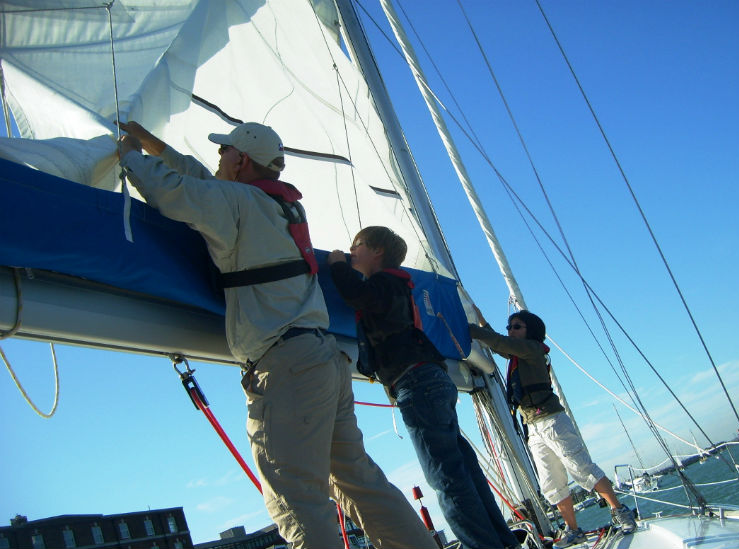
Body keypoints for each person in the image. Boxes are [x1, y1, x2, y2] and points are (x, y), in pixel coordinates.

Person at [116, 122, 437, 549]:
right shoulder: (279, 207)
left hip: (287, 367)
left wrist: (130, 154)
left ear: (241, 159)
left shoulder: (238, 203)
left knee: (297, 499)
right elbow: (199, 177)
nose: (218, 160)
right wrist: (153, 143)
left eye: (224, 153)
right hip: (323, 358)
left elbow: (170, 190)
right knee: (360, 481)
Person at [327, 226, 521, 549]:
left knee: (447, 479)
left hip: (416, 384)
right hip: (430, 381)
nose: (350, 250)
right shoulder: (398, 285)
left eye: (356, 245)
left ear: (377, 252)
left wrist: (335, 265)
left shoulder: (384, 283)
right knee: (463, 470)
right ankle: (503, 543)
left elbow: (358, 295)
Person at [469, 308, 637, 548]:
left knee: (581, 468)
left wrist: (470, 329)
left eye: (516, 326)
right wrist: (483, 322)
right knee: (551, 482)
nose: (511, 331)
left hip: (552, 422)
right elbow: (498, 345)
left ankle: (620, 511)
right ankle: (573, 529)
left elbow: (499, 342)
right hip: (534, 427)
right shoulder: (517, 353)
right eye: (509, 327)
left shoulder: (532, 349)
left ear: (530, 331)